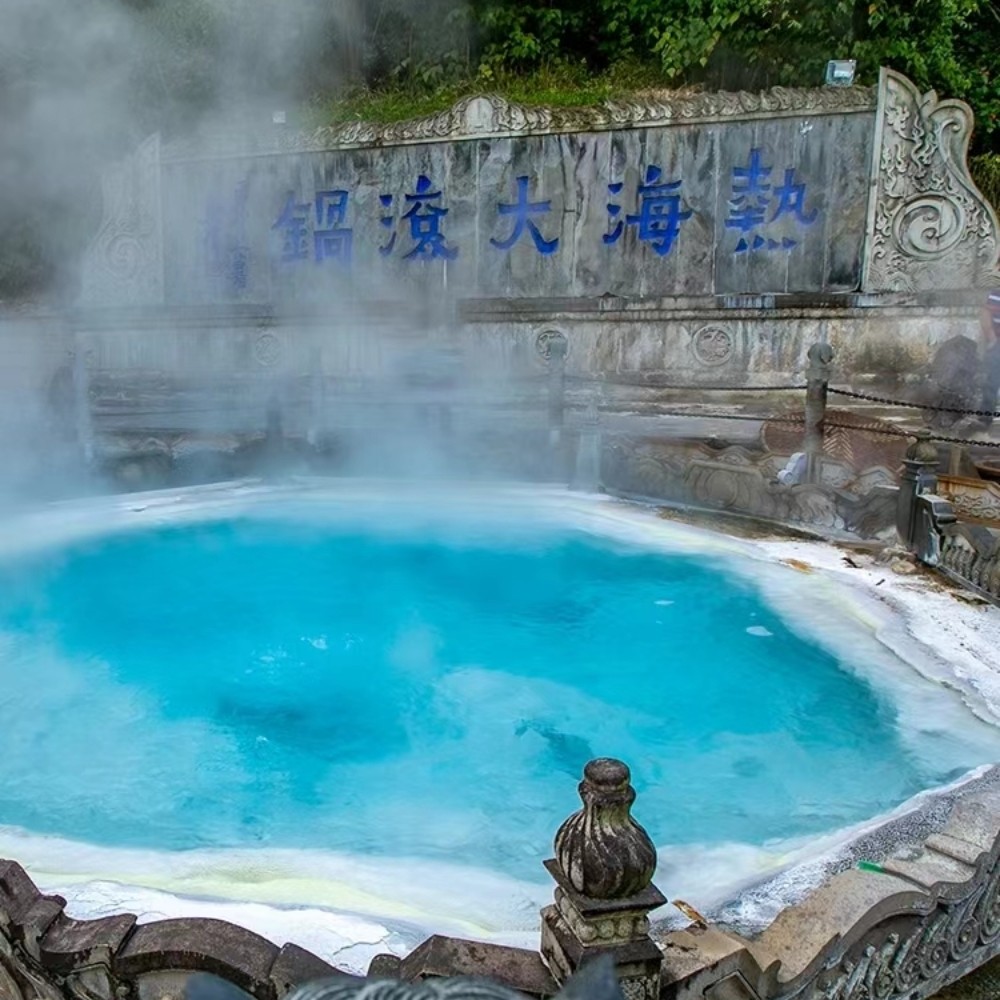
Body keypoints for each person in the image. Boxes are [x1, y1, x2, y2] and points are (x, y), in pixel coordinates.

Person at [979, 290, 1000, 426]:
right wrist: (992, 338)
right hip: (998, 343)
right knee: (991, 381)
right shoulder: (997, 293)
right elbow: (985, 313)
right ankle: (984, 419)